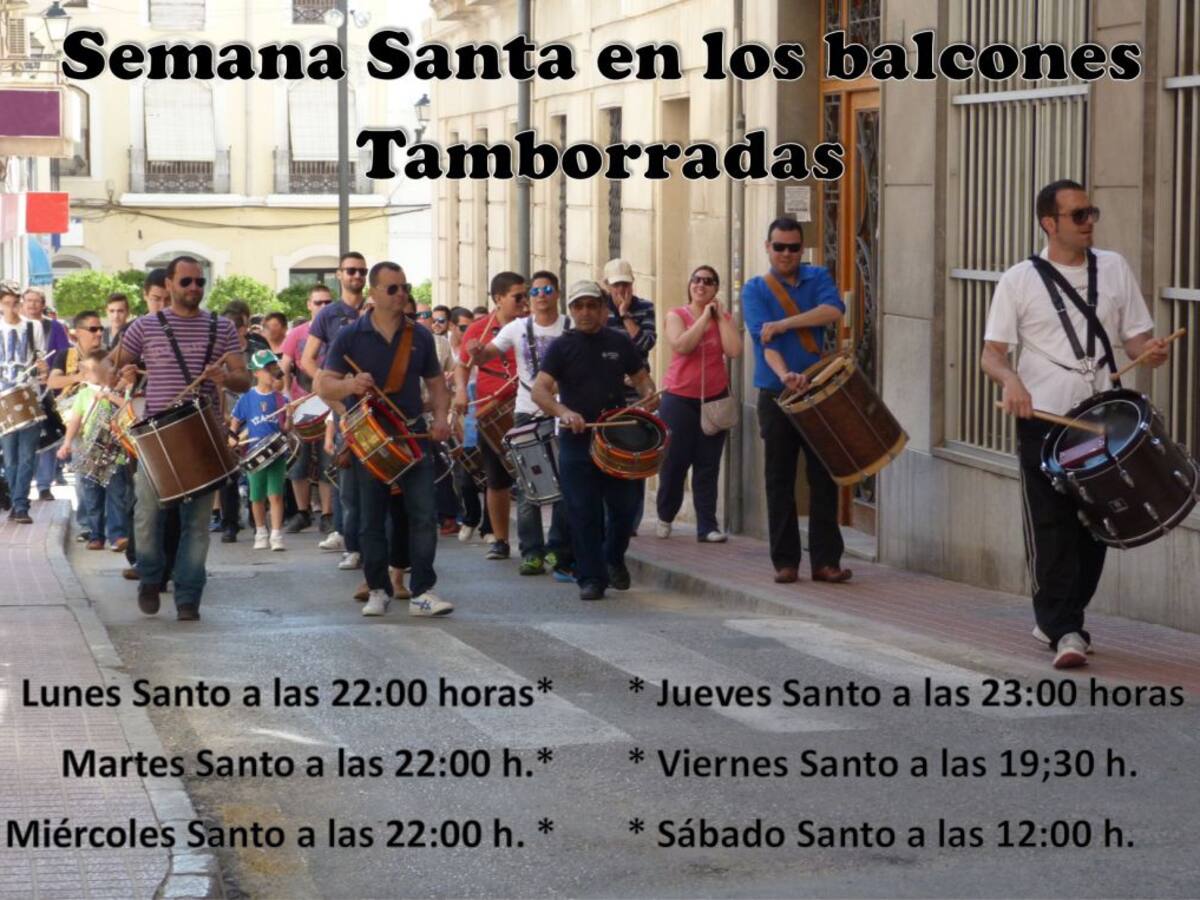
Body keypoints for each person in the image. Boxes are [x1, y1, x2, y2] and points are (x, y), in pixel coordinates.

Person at [981, 179, 1170, 669]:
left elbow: (1135, 339)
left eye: (1092, 213)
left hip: (1102, 420)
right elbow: (992, 355)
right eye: (1079, 214)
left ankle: (1062, 617)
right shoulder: (1019, 280)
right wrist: (1012, 383)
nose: (1089, 222)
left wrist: (1148, 352)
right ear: (1050, 223)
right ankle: (1066, 627)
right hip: (1044, 422)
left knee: (1096, 527)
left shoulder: (1114, 268)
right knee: (1050, 524)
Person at [105, 255, 248, 621]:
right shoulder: (144, 326)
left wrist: (224, 379)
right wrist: (116, 371)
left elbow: (243, 379)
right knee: (146, 516)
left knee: (197, 525)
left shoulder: (222, 328)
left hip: (203, 437)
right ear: (169, 284)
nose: (194, 289)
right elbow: (109, 366)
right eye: (186, 282)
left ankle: (188, 597)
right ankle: (151, 578)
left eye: (199, 282)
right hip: (156, 438)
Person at [315, 261, 453, 618]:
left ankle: (423, 591)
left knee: (423, 514)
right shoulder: (350, 335)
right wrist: (349, 385)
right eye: (392, 288)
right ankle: (378, 588)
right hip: (370, 437)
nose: (400, 294)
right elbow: (323, 383)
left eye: (404, 287)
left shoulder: (419, 335)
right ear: (374, 293)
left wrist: (440, 418)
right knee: (371, 518)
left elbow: (437, 384)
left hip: (410, 434)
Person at [743, 215, 852, 586]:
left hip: (819, 392)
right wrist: (784, 375)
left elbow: (834, 310)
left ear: (801, 249)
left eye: (793, 247)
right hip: (777, 394)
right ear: (767, 248)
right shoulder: (755, 289)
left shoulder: (818, 276)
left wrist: (787, 323)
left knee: (824, 478)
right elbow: (764, 341)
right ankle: (785, 562)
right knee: (779, 479)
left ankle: (825, 561)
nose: (786, 254)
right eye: (779, 247)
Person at [531, 280, 656, 601]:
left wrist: (648, 397)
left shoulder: (619, 341)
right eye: (578, 306)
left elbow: (643, 380)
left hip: (615, 435)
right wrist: (563, 411)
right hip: (576, 439)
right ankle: (591, 578)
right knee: (583, 511)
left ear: (603, 310)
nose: (585, 312)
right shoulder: (561, 346)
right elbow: (540, 390)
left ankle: (613, 557)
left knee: (625, 509)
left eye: (591, 306)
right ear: (570, 311)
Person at [472, 269, 572, 577]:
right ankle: (531, 551)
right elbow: (488, 353)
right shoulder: (517, 328)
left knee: (565, 484)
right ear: (529, 298)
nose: (541, 297)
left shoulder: (570, 326)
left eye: (547, 290)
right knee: (530, 484)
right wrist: (477, 352)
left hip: (562, 412)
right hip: (527, 412)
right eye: (535, 292)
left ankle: (557, 548)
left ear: (557, 294)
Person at [656, 265, 743, 542]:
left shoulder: (723, 318)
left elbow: (734, 350)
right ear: (690, 285)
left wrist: (719, 320)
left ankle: (707, 526)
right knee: (675, 463)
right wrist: (704, 318)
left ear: (716, 288)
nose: (701, 285)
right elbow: (681, 345)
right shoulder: (676, 315)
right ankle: (665, 516)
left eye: (708, 282)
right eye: (697, 280)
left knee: (708, 465)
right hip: (679, 399)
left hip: (714, 400)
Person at [455, 273, 527, 560]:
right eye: (517, 296)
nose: (524, 302)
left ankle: (536, 544)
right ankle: (500, 540)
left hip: (526, 406)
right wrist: (461, 392)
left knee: (533, 476)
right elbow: (462, 367)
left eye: (526, 295)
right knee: (496, 480)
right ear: (498, 298)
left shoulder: (530, 326)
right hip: (489, 409)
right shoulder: (479, 329)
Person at [301, 253, 368, 560]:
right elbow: (307, 358)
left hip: (375, 401)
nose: (357, 275)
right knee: (349, 482)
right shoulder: (327, 314)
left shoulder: (375, 308)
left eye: (362, 271)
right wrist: (327, 383)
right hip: (344, 405)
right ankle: (353, 547)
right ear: (339, 275)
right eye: (351, 270)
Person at [56, 350, 133, 551]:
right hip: (89, 450)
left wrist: (109, 395)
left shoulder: (118, 390)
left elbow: (128, 407)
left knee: (116, 494)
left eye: (91, 369)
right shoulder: (83, 394)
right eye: (85, 369)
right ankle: (96, 534)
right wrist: (67, 443)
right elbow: (75, 420)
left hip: (115, 451)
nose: (87, 373)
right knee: (92, 496)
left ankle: (117, 535)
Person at [280, 284, 336, 538]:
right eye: (318, 303)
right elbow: (285, 366)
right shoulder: (297, 333)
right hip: (301, 402)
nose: (323, 307)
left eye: (327, 302)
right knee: (298, 461)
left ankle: (327, 514)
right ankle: (302, 512)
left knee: (327, 460)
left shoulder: (338, 332)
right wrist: (286, 398)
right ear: (309, 305)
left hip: (330, 403)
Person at [231, 350, 291, 551]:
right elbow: (236, 420)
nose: (271, 372)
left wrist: (289, 417)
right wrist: (232, 437)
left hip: (276, 452)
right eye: (266, 369)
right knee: (256, 496)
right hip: (254, 452)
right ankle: (260, 531)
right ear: (255, 372)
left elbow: (285, 429)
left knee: (276, 495)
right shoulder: (247, 398)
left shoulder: (281, 399)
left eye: (273, 368)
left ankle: (276, 534)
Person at [0, 283, 49, 523]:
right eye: (6, 304)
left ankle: (20, 505)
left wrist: (43, 368)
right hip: (2, 400)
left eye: (14, 303)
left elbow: (41, 360)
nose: (11, 309)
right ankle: (15, 499)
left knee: (27, 454)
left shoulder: (33, 326)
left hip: (29, 396)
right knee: (9, 456)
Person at [23, 288, 70, 500]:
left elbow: (64, 354)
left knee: (49, 436)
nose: (32, 305)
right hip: (21, 389)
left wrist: (53, 375)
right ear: (22, 303)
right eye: (29, 301)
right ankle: (20, 486)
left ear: (43, 304)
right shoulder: (14, 327)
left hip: (47, 388)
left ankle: (44, 485)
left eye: (36, 301)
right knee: (23, 438)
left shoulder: (55, 327)